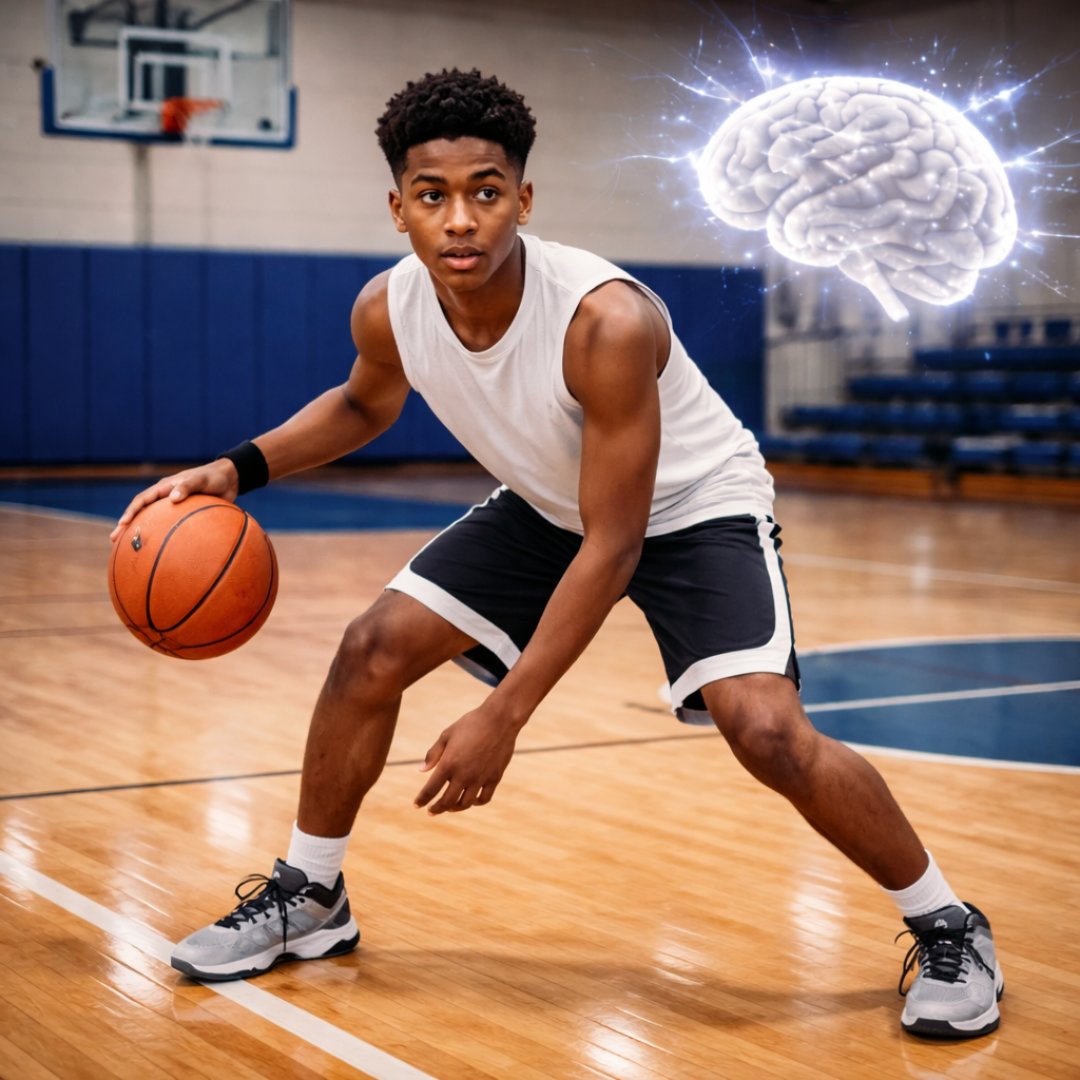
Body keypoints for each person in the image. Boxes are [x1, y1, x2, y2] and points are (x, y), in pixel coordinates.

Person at [112, 69, 1003, 1040]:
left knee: (768, 734)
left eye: (485, 192)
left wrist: (505, 712)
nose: (460, 219)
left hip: (691, 506)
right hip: (552, 501)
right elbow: (367, 403)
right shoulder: (389, 307)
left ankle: (948, 920)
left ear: (523, 200)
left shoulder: (604, 321)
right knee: (371, 650)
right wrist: (237, 470)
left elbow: (616, 544)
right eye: (433, 195)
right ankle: (311, 895)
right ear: (397, 207)